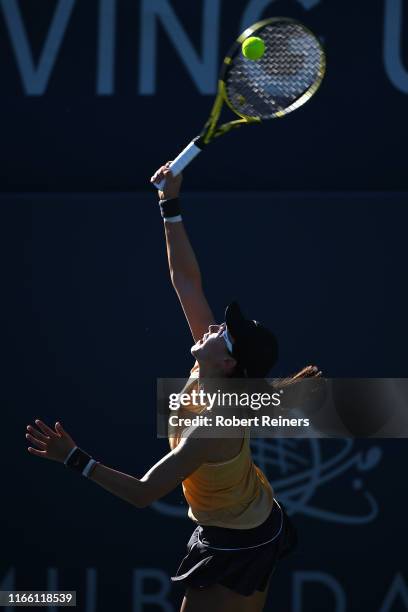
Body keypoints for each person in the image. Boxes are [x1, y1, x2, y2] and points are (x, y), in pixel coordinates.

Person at [25, 164, 321, 612]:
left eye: (226, 332)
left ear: (228, 361)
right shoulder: (213, 363)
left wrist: (74, 458)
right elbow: (185, 280)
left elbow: (144, 494)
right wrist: (170, 204)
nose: (215, 326)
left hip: (240, 538)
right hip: (246, 519)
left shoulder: (212, 427)